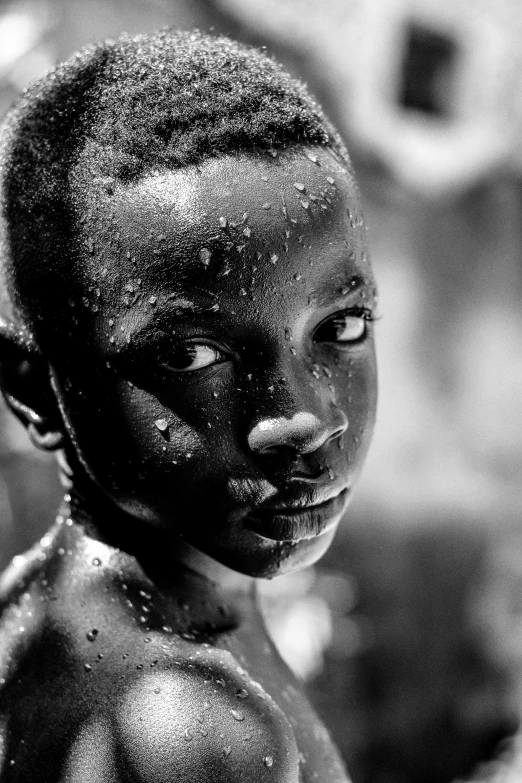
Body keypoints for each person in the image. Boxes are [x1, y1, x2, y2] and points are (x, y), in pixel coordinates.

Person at [0, 29, 377, 782]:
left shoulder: (37, 609)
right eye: (189, 356)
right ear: (35, 391)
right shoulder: (188, 727)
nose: (305, 419)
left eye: (341, 326)